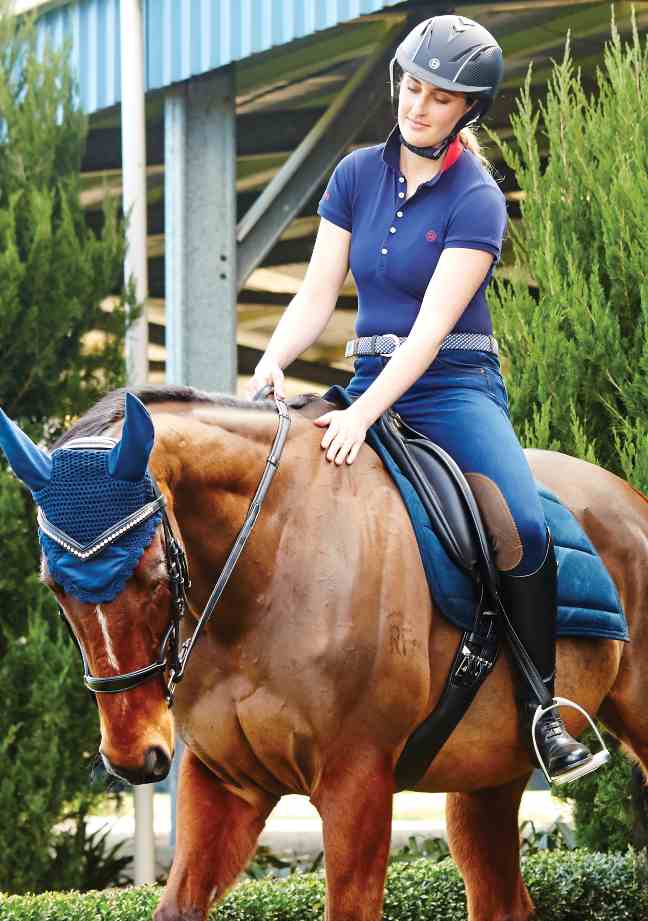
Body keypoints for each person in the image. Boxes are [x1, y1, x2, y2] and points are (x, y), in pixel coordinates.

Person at [251, 14, 607, 786]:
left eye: (439, 97)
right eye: (412, 87)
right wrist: (273, 364)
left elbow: (427, 334)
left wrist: (362, 414)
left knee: (520, 528)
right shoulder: (352, 176)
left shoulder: (477, 199)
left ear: (466, 111)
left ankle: (545, 712)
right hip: (367, 379)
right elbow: (317, 295)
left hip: (452, 387)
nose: (418, 105)